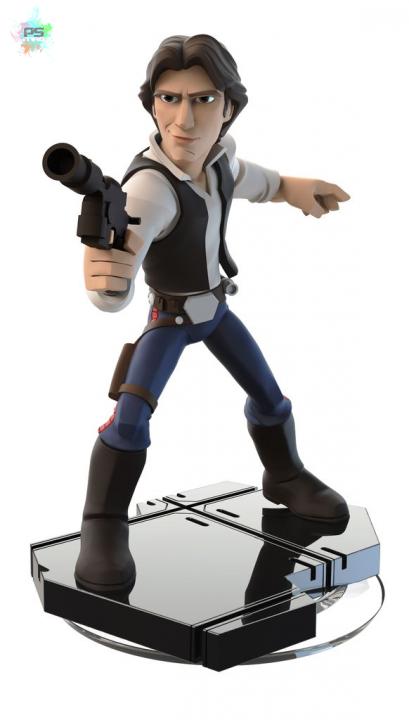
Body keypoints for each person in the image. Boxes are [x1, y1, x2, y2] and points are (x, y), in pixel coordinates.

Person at [74, 34, 350, 594]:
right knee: (129, 419)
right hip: (169, 321)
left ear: (228, 107)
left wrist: (293, 188)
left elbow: (257, 181)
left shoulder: (219, 164)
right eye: (169, 99)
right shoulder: (148, 188)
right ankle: (102, 524)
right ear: (152, 105)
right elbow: (123, 263)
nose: (185, 120)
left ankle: (285, 476)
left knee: (269, 396)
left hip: (217, 309)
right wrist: (108, 278)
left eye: (202, 100)